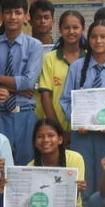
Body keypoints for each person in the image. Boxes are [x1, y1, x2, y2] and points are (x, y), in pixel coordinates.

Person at [60, 20, 105, 197]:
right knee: (84, 180)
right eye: (94, 37)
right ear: (88, 40)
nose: (98, 41)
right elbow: (65, 100)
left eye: (103, 37)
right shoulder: (76, 67)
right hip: (82, 135)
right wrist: (76, 120)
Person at [0, 0, 44, 166]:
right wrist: (16, 88)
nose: (13, 17)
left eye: (18, 12)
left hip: (25, 114)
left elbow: (28, 82)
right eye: (8, 12)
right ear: (1, 16)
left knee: (26, 166)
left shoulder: (35, 46)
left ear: (26, 17)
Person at [36, 9, 86, 138]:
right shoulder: (50, 58)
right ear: (59, 29)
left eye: (76, 27)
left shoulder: (89, 58)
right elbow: (45, 95)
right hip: (57, 128)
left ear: (83, 29)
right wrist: (57, 129)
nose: (71, 32)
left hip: (84, 128)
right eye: (66, 27)